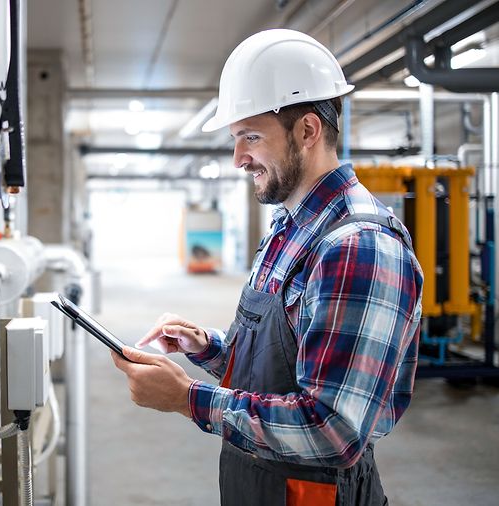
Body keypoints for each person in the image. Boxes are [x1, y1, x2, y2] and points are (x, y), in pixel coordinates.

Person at [111, 29, 423, 506]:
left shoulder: (358, 246)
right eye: (236, 140)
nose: (238, 159)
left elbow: (332, 429)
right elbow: (284, 363)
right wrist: (208, 346)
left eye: (250, 137)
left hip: (313, 493)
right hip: (259, 484)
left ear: (308, 131)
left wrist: (185, 397)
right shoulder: (288, 228)